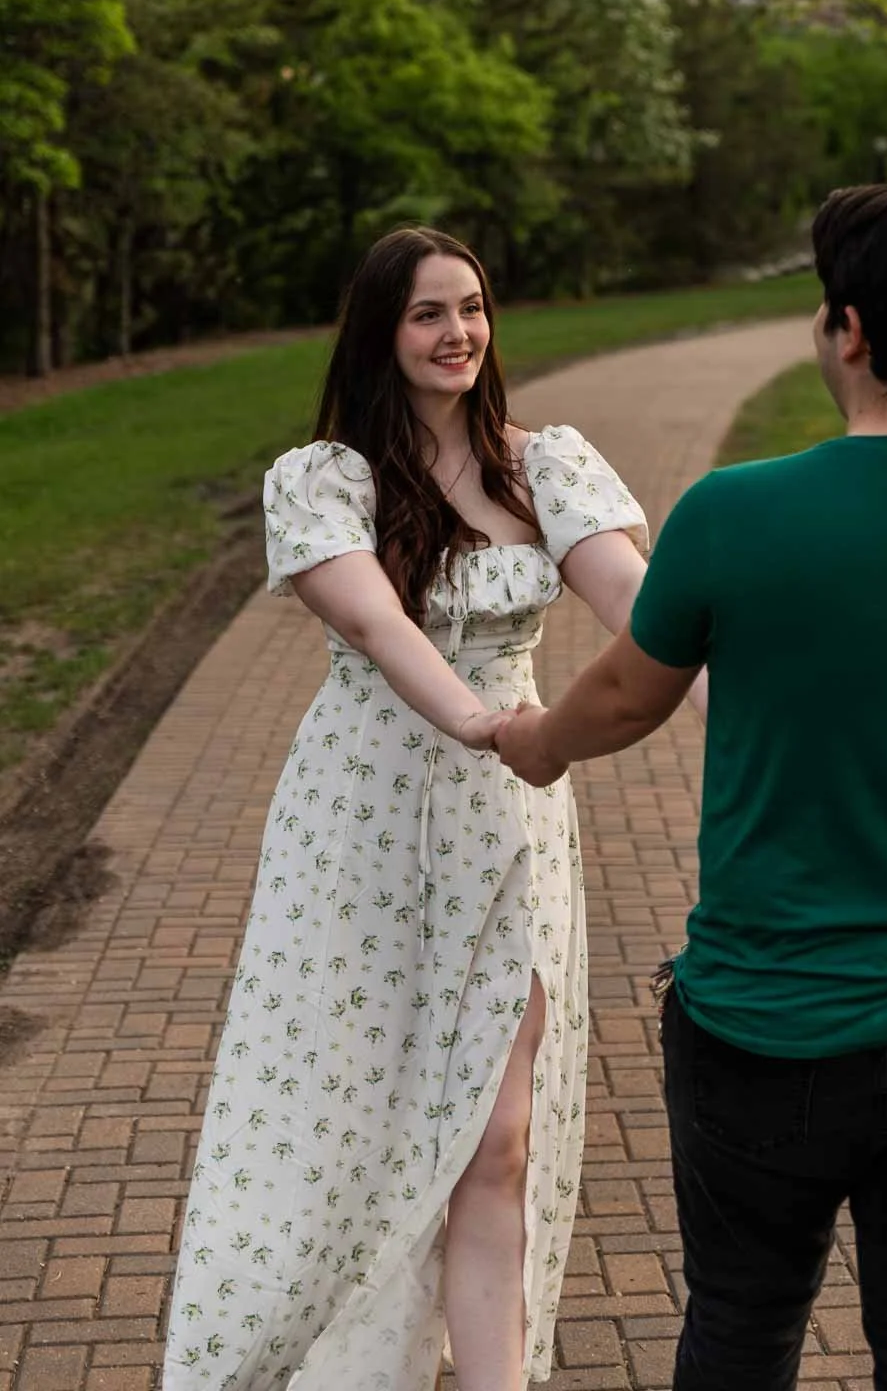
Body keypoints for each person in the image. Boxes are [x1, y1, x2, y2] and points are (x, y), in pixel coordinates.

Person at [497, 183, 887, 1391]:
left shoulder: (736, 513)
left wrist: (539, 742)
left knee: (740, 1329)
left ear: (851, 331)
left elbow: (622, 698)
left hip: (767, 1023)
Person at [163, 225, 670, 1391]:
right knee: (356, 1114)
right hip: (363, 815)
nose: (458, 333)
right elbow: (373, 624)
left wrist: (725, 681)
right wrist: (485, 724)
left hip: (510, 822)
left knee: (498, 1135)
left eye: (472, 307)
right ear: (379, 333)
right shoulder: (323, 479)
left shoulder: (545, 465)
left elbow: (638, 606)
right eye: (427, 313)